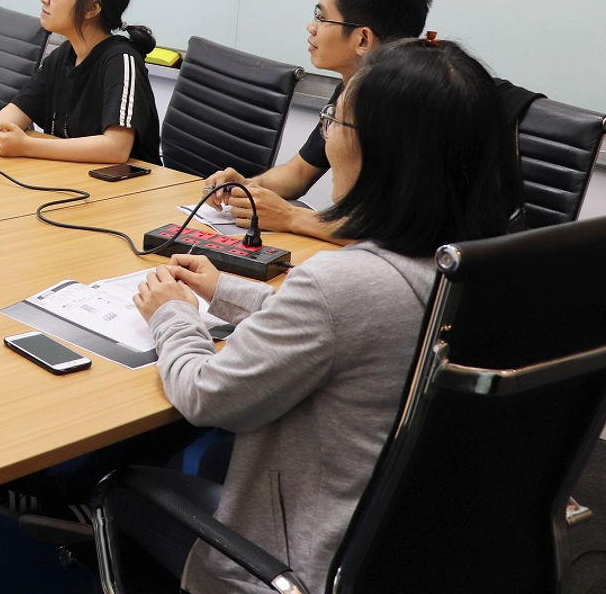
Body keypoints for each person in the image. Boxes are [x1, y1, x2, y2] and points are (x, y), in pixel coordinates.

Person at [125, 37, 518, 594]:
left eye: (334, 120)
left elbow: (206, 396)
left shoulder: (344, 283)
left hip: (303, 566)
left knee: (117, 485)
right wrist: (223, 289)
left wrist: (172, 315)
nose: (326, 135)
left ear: (377, 148)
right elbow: (351, 325)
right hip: (433, 552)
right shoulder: (482, 268)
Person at [205, 0, 432, 240]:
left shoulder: (415, 106)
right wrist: (247, 187)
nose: (312, 27)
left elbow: (397, 232)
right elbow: (300, 172)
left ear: (362, 39)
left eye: (322, 18)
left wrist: (291, 216)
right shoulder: (354, 87)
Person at [0, 0, 161, 164]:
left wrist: (27, 145)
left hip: (127, 181)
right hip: (72, 174)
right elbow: (16, 112)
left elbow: (116, 148)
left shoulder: (121, 61)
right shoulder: (63, 55)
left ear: (92, 8)